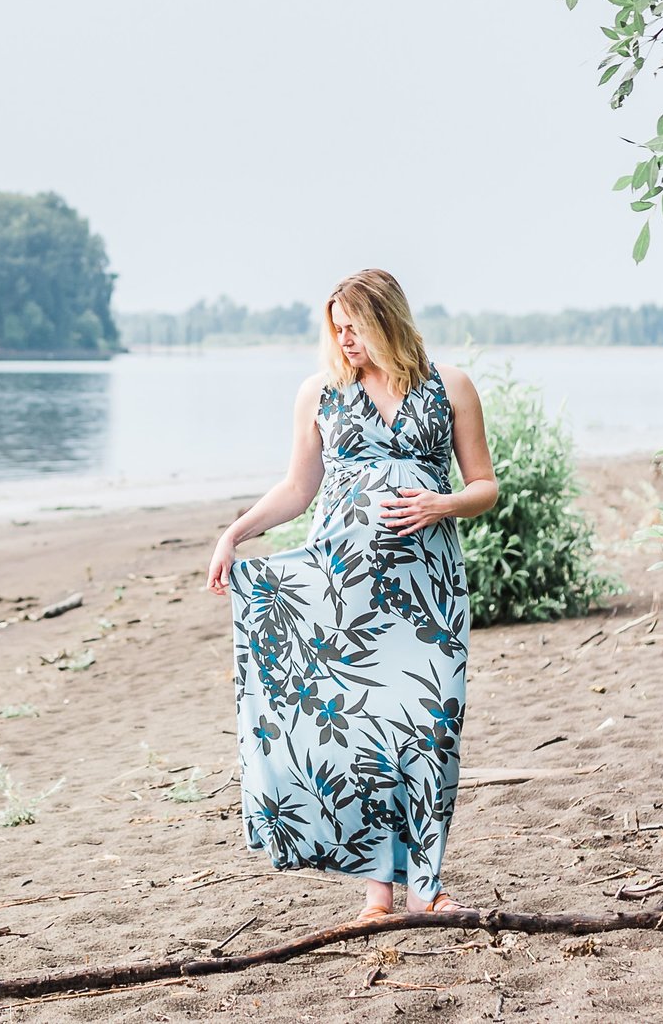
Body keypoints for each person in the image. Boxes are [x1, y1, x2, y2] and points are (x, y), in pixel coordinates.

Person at [204, 267, 497, 921]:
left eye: (353, 327)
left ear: (386, 321)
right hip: (342, 586)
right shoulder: (320, 392)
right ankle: (379, 894)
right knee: (363, 731)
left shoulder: (450, 386)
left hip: (427, 587)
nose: (343, 339)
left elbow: (485, 486)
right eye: (335, 328)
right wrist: (234, 532)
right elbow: (297, 488)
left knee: (431, 727)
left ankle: (426, 886)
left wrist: (442, 503)